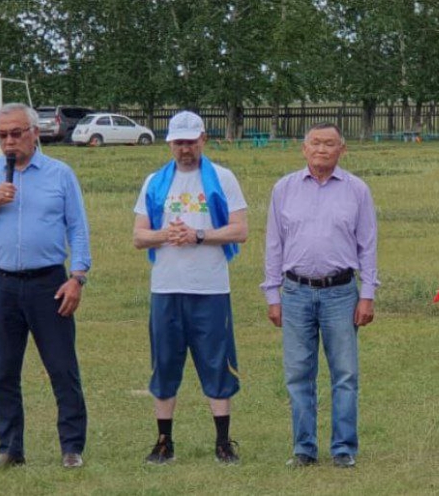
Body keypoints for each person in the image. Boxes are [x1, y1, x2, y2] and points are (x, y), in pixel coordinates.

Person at [0, 103, 91, 470]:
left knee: (62, 368)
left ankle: (71, 447)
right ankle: (10, 448)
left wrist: (77, 277)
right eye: (2, 135)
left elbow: (78, 228)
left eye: (16, 134)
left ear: (35, 132)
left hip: (50, 283)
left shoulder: (60, 174)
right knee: (2, 371)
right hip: (4, 284)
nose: (9, 142)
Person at [133, 110, 248, 465]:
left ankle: (223, 442)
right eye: (179, 142)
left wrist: (199, 235)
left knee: (216, 362)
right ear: (169, 143)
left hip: (210, 289)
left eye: (191, 142)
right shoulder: (155, 182)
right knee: (165, 363)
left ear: (203, 140)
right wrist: (165, 234)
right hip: (167, 288)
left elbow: (239, 230)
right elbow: (139, 237)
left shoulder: (223, 178)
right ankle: (163, 441)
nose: (185, 149)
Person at [261, 122, 378, 469]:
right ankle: (304, 448)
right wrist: (273, 295)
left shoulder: (357, 190)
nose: (321, 149)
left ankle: (343, 448)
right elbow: (274, 244)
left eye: (329, 143)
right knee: (298, 373)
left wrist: (367, 294)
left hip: (341, 293)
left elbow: (368, 245)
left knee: (345, 373)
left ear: (342, 149)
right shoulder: (284, 189)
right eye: (315, 143)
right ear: (304, 148)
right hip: (295, 292)